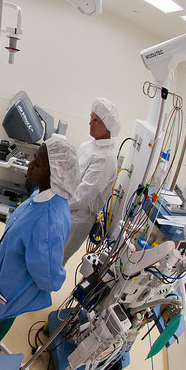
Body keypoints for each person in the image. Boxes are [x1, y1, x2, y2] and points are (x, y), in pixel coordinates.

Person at [0, 137, 80, 351]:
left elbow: (48, 274)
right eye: (34, 158)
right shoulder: (40, 195)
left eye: (38, 163)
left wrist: (53, 281)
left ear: (55, 175)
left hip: (12, 286)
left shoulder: (49, 218)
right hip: (5, 272)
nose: (30, 164)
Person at [63, 98, 120, 266]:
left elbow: (83, 196)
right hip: (65, 208)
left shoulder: (106, 158)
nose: (90, 123)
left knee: (54, 261)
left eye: (96, 120)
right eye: (91, 117)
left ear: (107, 126)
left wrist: (56, 204)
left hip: (76, 219)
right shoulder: (87, 146)